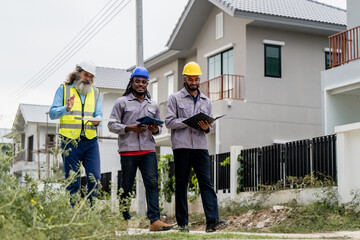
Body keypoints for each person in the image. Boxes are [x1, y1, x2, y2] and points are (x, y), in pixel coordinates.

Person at [107, 66, 173, 231]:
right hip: (128, 150)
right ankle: (123, 220)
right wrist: (129, 128)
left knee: (152, 183)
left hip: (148, 150)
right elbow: (111, 125)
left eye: (144, 82)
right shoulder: (121, 102)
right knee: (127, 186)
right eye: (137, 81)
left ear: (147, 84)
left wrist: (154, 129)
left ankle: (155, 221)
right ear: (132, 82)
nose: (140, 84)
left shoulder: (153, 104)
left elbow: (159, 129)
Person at [165, 61, 227, 232]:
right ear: (185, 78)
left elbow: (210, 126)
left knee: (206, 183)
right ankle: (183, 224)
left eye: (196, 79)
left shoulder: (206, 100)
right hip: (182, 147)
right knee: (182, 184)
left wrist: (206, 127)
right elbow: (169, 122)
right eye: (190, 79)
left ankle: (212, 221)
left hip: (200, 147)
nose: (193, 82)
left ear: (199, 79)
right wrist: (187, 122)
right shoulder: (175, 98)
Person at [49, 60, 102, 204]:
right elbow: (52, 114)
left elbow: (99, 114)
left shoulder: (95, 92)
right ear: (78, 73)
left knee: (95, 178)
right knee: (73, 181)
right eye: (86, 75)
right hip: (70, 141)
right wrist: (66, 108)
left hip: (90, 142)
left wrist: (98, 120)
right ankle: (73, 215)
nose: (88, 79)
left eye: (91, 77)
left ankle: (92, 214)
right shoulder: (64, 89)